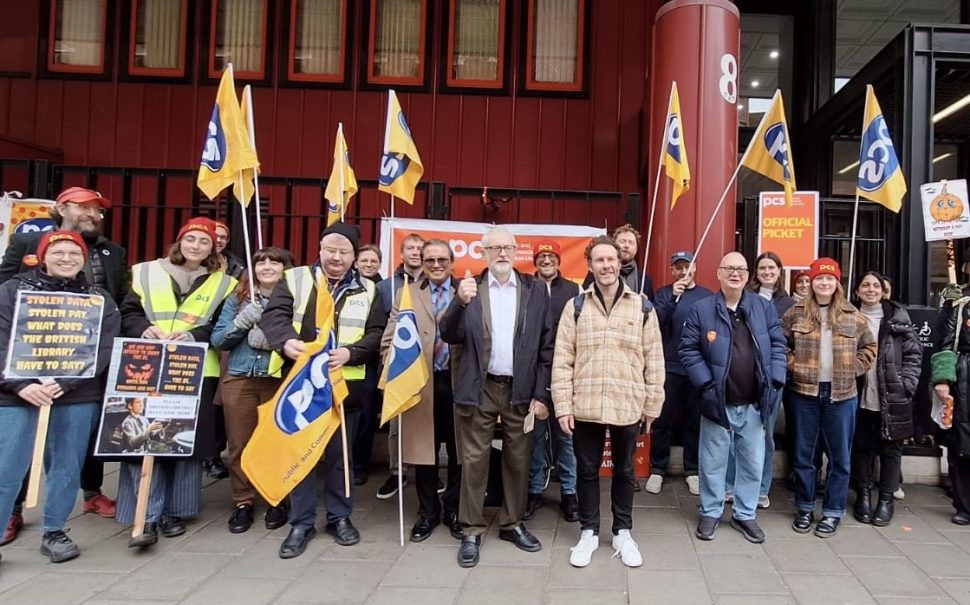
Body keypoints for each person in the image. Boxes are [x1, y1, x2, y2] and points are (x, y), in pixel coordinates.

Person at [0, 186, 127, 542]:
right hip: (17, 391)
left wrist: (67, 382)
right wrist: (19, 383)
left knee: (66, 467)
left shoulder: (98, 297)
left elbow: (104, 344)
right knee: (7, 466)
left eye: (74, 253)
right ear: (43, 255)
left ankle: (55, 530)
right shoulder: (11, 291)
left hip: (76, 391)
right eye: (59, 252)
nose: (67, 258)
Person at [262, 222, 385, 558]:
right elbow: (274, 317)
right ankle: (301, 522)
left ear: (354, 256)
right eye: (330, 249)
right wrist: (285, 342)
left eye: (344, 251)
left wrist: (352, 352)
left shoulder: (370, 289)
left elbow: (376, 333)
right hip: (301, 385)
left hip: (346, 386)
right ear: (319, 249)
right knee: (301, 454)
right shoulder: (295, 278)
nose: (336, 256)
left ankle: (339, 517)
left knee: (339, 458)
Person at [119, 217, 237, 548]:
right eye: (192, 239)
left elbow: (219, 325)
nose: (196, 246)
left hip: (195, 366)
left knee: (182, 439)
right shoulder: (145, 271)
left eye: (204, 241)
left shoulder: (224, 283)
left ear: (214, 247)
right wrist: (144, 328)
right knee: (143, 438)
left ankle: (177, 511)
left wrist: (194, 334)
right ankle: (146, 515)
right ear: (180, 241)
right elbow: (127, 311)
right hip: (144, 363)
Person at [440, 226, 554, 568]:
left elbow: (546, 345)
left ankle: (512, 523)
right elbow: (449, 333)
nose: (502, 253)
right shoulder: (469, 288)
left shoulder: (534, 289)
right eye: (495, 248)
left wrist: (541, 393)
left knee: (518, 459)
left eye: (508, 247)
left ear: (516, 251)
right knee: (474, 460)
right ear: (483, 252)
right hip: (480, 385)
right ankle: (472, 528)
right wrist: (460, 302)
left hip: (521, 388)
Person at [553, 235, 665, 568]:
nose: (606, 265)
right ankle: (588, 531)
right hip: (585, 404)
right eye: (599, 260)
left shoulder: (642, 306)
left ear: (620, 263)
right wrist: (563, 405)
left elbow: (654, 359)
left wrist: (652, 405)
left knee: (625, 470)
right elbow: (562, 359)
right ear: (589, 266)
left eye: (611, 259)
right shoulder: (575, 307)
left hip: (627, 402)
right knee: (586, 471)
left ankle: (622, 530)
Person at [680, 252, 786, 544]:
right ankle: (711, 511)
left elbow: (778, 343)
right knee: (712, 462)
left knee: (752, 461)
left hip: (754, 402)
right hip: (717, 402)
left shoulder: (762, 308)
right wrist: (706, 385)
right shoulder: (703, 309)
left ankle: (745, 513)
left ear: (747, 275)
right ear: (718, 273)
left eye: (740, 269)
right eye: (729, 268)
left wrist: (775, 379)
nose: (735, 274)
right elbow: (688, 350)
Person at [782, 257, 876, 538]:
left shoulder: (852, 315)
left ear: (837, 282)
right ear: (811, 282)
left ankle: (833, 512)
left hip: (842, 395)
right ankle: (805, 507)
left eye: (829, 278)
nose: (824, 283)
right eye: (819, 278)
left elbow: (870, 347)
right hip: (804, 393)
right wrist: (793, 365)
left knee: (839, 457)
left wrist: (852, 369)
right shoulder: (795, 313)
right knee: (804, 455)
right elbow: (780, 344)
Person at [380, 239, 462, 542]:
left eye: (442, 259)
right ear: (421, 263)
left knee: (459, 452)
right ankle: (428, 512)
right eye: (430, 260)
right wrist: (391, 375)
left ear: (452, 262)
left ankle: (453, 509)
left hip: (457, 384)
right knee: (423, 452)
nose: (436, 265)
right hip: (421, 383)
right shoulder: (408, 293)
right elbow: (390, 339)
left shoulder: (466, 292)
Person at [211, 247, 295, 534]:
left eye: (275, 261)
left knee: (276, 443)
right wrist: (244, 320)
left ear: (287, 268)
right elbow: (219, 339)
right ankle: (243, 501)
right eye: (261, 261)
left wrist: (276, 334)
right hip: (241, 377)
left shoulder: (295, 298)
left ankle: (276, 498)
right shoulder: (237, 299)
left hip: (277, 379)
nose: (268, 266)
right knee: (240, 444)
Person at [722, 251, 795, 508]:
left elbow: (784, 344)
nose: (767, 272)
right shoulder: (745, 299)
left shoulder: (790, 304)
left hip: (770, 382)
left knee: (764, 435)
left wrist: (778, 376)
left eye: (771, 268)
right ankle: (731, 485)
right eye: (762, 268)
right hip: (744, 379)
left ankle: (761, 488)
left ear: (779, 271)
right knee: (733, 435)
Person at [850, 271, 921, 527]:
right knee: (862, 446)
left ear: (883, 290)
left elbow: (914, 354)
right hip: (858, 392)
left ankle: (887, 499)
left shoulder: (897, 317)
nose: (871, 289)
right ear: (857, 291)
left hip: (892, 394)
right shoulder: (849, 315)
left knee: (891, 449)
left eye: (876, 285)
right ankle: (864, 494)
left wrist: (907, 384)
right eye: (865, 285)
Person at [648, 251, 712, 496]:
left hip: (696, 368)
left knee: (694, 421)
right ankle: (658, 468)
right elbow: (655, 323)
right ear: (672, 270)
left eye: (687, 266)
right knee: (662, 420)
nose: (682, 271)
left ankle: (692, 470)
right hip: (668, 366)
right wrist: (672, 298)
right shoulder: (664, 294)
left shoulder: (707, 296)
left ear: (695, 267)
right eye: (678, 268)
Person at [524, 240, 580, 523]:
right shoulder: (525, 287)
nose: (546, 261)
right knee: (534, 437)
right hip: (532, 371)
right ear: (535, 260)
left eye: (551, 256)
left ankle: (570, 492)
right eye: (542, 256)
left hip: (565, 371)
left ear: (559, 260)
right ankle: (534, 489)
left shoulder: (572, 290)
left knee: (567, 436)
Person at [376, 233, 425, 498]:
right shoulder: (386, 287)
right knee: (398, 423)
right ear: (402, 253)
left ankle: (425, 472)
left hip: (427, 364)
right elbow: (384, 327)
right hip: (398, 363)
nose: (415, 252)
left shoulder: (435, 284)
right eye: (410, 248)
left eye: (420, 248)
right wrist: (387, 360)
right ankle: (397, 473)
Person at [583, 224, 654, 299]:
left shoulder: (644, 280)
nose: (626, 245)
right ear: (614, 246)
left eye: (631, 242)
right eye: (622, 241)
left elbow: (652, 307)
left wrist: (646, 304)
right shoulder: (599, 271)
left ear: (636, 248)